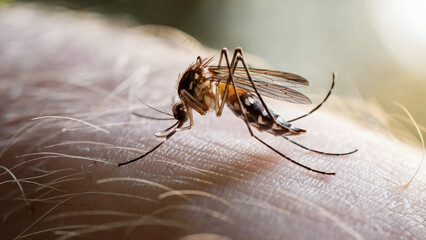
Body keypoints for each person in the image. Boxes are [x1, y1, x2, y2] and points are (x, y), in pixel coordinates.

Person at [0, 5, 424, 240]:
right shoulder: (189, 95)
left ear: (185, 101)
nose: (184, 117)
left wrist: (256, 112)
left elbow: (215, 81)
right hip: (234, 92)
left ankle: (293, 141)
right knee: (231, 83)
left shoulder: (197, 92)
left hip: (244, 98)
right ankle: (293, 133)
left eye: (181, 114)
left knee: (238, 99)